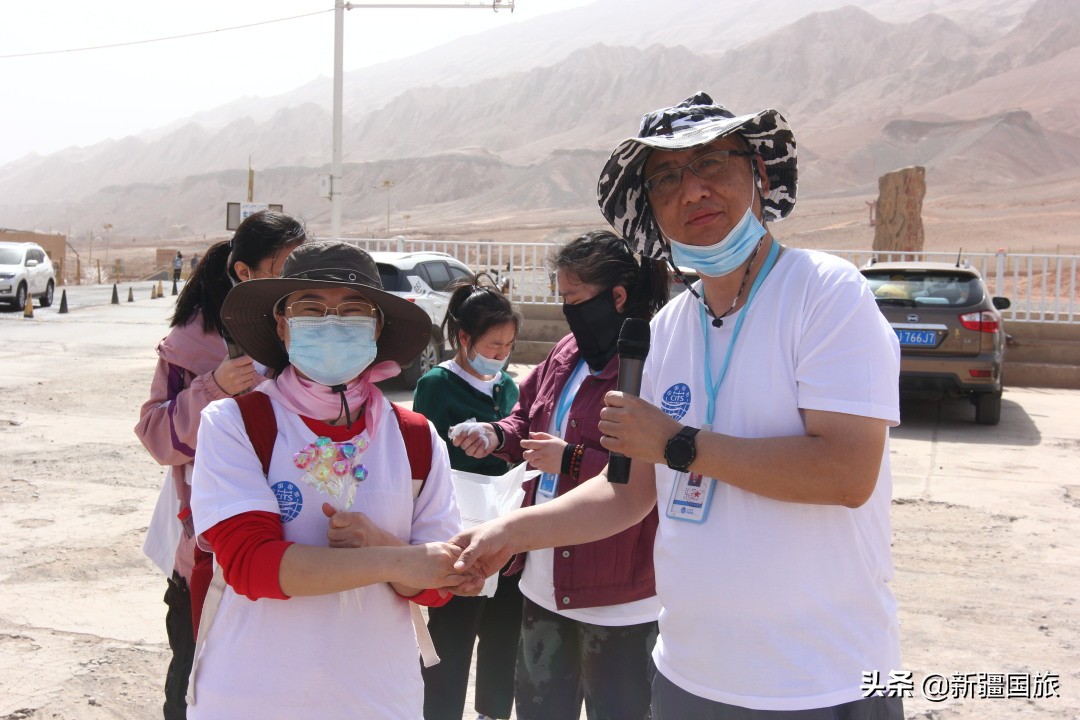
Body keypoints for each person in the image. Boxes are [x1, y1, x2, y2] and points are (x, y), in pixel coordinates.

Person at [452, 92, 904, 719]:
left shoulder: (824, 294)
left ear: (760, 175)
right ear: (652, 210)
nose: (692, 191)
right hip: (689, 675)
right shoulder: (667, 329)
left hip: (818, 680)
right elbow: (629, 492)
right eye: (666, 177)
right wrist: (509, 532)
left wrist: (678, 443)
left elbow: (847, 474)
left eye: (713, 162)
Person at [186, 240, 467, 719]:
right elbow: (252, 565)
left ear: (377, 327)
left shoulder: (416, 437)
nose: (332, 323)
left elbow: (440, 582)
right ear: (282, 325)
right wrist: (398, 559)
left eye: (352, 310)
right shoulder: (235, 423)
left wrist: (382, 546)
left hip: (379, 699)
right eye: (311, 309)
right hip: (251, 698)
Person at [452, 230, 669, 720]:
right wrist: (495, 435)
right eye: (562, 299)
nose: (568, 311)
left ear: (617, 297)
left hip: (616, 594)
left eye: (574, 299)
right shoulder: (567, 352)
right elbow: (527, 415)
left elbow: (646, 479)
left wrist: (571, 459)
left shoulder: (650, 365)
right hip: (543, 581)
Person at [134, 210, 306, 720]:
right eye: (285, 265)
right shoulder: (191, 347)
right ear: (245, 273)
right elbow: (157, 436)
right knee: (195, 681)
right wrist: (213, 389)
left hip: (292, 545)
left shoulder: (305, 333)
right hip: (207, 548)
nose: (296, 278)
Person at [413, 276, 522, 720]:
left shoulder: (509, 388)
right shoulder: (437, 385)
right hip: (459, 530)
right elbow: (420, 457)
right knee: (452, 634)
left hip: (508, 529)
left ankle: (493, 713)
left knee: (504, 633)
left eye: (509, 346)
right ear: (464, 338)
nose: (501, 355)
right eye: (493, 345)